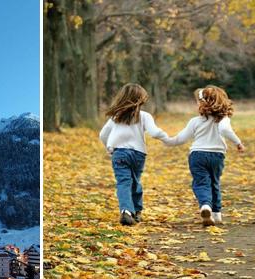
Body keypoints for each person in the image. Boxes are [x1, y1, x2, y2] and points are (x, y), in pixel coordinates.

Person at [162, 86, 244, 226]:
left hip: (197, 155)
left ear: (201, 103)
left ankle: (205, 206)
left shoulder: (195, 121)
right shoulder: (223, 118)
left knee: (201, 182)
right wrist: (238, 143)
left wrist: (166, 140)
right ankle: (216, 214)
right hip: (217, 155)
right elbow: (225, 130)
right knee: (214, 182)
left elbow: (180, 139)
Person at [99, 83, 168, 226]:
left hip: (119, 153)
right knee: (135, 181)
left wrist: (109, 147)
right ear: (140, 99)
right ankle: (136, 211)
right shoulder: (145, 116)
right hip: (138, 154)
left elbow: (103, 134)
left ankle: (126, 211)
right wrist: (166, 137)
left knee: (123, 182)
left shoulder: (115, 117)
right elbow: (154, 132)